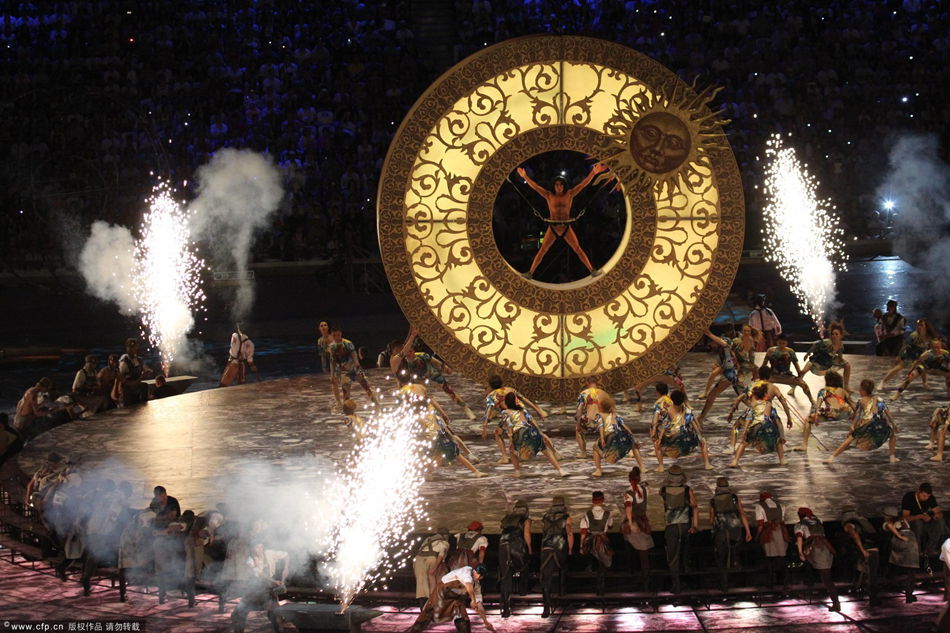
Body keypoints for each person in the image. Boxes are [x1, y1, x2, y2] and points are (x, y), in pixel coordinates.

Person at [516, 163, 607, 279]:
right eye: (557, 185)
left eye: (561, 185)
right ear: (554, 186)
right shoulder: (549, 195)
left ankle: (592, 270)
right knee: (542, 250)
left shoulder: (569, 194)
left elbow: (583, 184)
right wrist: (525, 177)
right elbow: (535, 187)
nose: (559, 187)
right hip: (553, 227)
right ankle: (530, 273)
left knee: (578, 249)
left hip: (566, 227)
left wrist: (593, 173)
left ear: (564, 186)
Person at [392, 326, 475, 419]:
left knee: (449, 391)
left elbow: (435, 362)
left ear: (414, 351)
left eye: (410, 351)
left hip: (432, 375)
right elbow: (400, 376)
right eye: (407, 352)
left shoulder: (423, 355)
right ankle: (436, 414)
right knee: (425, 397)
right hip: (419, 380)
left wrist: (445, 367)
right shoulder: (405, 362)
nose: (409, 353)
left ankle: (465, 408)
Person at [697, 326, 760, 426]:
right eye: (744, 331)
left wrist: (709, 334)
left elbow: (750, 360)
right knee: (743, 397)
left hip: (735, 373)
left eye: (748, 331)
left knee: (741, 397)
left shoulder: (750, 343)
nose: (746, 333)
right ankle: (701, 416)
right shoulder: (735, 342)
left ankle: (760, 414)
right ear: (742, 332)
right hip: (734, 371)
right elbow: (725, 347)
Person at [482, 374, 551, 464]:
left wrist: (485, 426)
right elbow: (525, 400)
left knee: (497, 433)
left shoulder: (491, 396)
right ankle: (554, 452)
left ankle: (504, 457)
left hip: (509, 415)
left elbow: (488, 412)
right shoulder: (510, 389)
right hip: (523, 412)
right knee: (539, 432)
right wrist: (537, 410)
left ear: (490, 385)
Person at [825, 379, 899, 464]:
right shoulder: (879, 399)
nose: (859, 391)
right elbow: (888, 413)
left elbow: (857, 415)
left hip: (868, 424)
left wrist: (852, 427)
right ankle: (892, 457)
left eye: (860, 389)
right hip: (880, 424)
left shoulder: (861, 400)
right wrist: (894, 425)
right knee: (892, 435)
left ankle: (831, 457)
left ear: (864, 390)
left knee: (849, 439)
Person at [408, 564, 495, 633]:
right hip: (442, 593)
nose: (478, 577)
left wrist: (485, 621)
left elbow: (479, 605)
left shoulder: (476, 585)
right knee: (427, 615)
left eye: (480, 576)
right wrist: (473, 600)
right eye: (477, 574)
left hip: (456, 599)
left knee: (463, 618)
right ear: (474, 570)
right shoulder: (466, 571)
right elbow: (468, 584)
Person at [230, 540, 289, 633]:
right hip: (254, 590)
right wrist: (274, 582)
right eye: (255, 547)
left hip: (269, 591)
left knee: (275, 615)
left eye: (259, 547)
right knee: (237, 614)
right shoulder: (250, 560)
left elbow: (286, 555)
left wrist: (286, 568)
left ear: (262, 547)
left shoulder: (269, 553)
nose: (257, 550)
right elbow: (260, 574)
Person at [501, 392, 566, 477]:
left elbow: (509, 425)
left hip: (519, 433)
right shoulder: (522, 409)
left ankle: (517, 472)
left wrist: (510, 439)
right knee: (546, 451)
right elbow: (531, 420)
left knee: (512, 452)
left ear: (506, 402)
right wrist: (540, 432)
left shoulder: (505, 412)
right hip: (531, 430)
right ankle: (561, 470)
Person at [728, 382, 788, 467]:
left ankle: (735, 461)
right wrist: (781, 435)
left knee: (743, 443)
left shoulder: (753, 405)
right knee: (778, 441)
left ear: (755, 396)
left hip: (756, 426)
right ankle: (782, 460)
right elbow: (771, 418)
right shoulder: (768, 403)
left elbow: (749, 418)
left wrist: (745, 430)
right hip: (767, 425)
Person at [708, 476, 752, 589]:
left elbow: (711, 520)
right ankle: (736, 562)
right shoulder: (734, 498)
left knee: (721, 560)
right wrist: (748, 531)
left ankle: (724, 585)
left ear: (717, 487)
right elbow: (742, 514)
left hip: (721, 531)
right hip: (735, 530)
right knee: (735, 551)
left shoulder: (713, 501)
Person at [659, 465, 697, 593]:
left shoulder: (663, 490)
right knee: (684, 552)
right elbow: (695, 507)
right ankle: (687, 570)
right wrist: (695, 525)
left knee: (673, 558)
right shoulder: (688, 490)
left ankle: (677, 586)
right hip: (685, 525)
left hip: (672, 527)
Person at [654, 390, 713, 472]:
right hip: (686, 438)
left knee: (656, 444)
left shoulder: (668, 410)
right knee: (703, 442)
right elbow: (694, 425)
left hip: (672, 439)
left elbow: (665, 425)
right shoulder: (687, 410)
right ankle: (707, 464)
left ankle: (661, 466)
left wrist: (660, 439)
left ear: (672, 400)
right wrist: (700, 437)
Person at [795, 508, 840, 611]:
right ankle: (834, 601)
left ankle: (836, 603)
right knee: (825, 577)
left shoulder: (800, 524)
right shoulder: (818, 521)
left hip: (817, 550)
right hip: (825, 548)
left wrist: (800, 552)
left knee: (827, 579)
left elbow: (799, 538)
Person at [800, 370, 854, 452]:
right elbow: (853, 405)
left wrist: (816, 416)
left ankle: (804, 445)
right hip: (845, 413)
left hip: (831, 413)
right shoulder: (843, 391)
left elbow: (817, 406)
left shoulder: (823, 390)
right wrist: (857, 418)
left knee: (808, 420)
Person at [838, 504, 881, 606]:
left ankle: (872, 599)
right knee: (872, 575)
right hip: (874, 548)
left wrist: (862, 550)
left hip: (867, 550)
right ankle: (872, 597)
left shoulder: (848, 524)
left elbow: (855, 535)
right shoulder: (861, 521)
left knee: (870, 575)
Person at [879, 318, 937, 390]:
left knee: (923, 369)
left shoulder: (929, 336)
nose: (919, 327)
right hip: (910, 355)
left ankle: (925, 383)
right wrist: (899, 356)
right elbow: (905, 345)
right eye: (918, 325)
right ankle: (883, 382)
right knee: (897, 368)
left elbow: (933, 345)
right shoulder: (914, 335)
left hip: (921, 355)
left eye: (921, 325)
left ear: (926, 326)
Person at [591, 395, 642, 476]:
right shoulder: (616, 415)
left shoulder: (599, 415)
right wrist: (632, 438)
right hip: (621, 437)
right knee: (633, 445)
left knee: (595, 447)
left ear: (600, 407)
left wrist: (602, 439)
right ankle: (642, 467)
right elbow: (625, 427)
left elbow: (601, 427)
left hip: (610, 438)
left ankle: (598, 470)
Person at [539, 496, 572, 618]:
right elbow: (569, 533)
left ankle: (546, 608)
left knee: (546, 579)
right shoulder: (566, 517)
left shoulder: (545, 517)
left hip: (546, 547)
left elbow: (543, 534)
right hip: (560, 545)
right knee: (564, 566)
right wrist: (569, 549)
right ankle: (562, 591)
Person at [327, 326, 377, 406]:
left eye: (338, 335)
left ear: (341, 334)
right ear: (331, 335)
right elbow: (332, 361)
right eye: (334, 335)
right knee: (346, 394)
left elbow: (354, 355)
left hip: (354, 369)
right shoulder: (331, 347)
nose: (336, 337)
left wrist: (357, 366)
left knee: (366, 387)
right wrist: (332, 375)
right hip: (343, 372)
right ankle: (348, 413)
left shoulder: (348, 343)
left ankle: (376, 403)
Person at [497, 500, 531, 618]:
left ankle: (506, 608)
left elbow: (500, 533)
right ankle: (523, 591)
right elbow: (526, 534)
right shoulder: (526, 520)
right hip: (516, 546)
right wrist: (530, 548)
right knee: (524, 565)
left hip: (502, 546)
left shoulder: (506, 519)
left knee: (505, 576)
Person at [622, 467, 654, 590]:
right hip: (643, 521)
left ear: (629, 480)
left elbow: (628, 509)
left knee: (629, 545)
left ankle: (632, 573)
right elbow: (647, 487)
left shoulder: (628, 493)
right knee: (643, 553)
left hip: (635, 521)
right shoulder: (645, 489)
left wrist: (630, 523)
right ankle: (646, 581)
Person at [798, 321, 851, 391]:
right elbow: (815, 345)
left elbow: (840, 353)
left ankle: (846, 386)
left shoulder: (840, 345)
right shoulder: (827, 342)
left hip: (829, 361)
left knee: (847, 365)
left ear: (841, 336)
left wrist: (841, 360)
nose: (834, 336)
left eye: (836, 334)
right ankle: (795, 385)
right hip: (819, 360)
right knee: (803, 371)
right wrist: (807, 354)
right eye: (832, 334)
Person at [882, 505, 919, 604]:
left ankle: (890, 577)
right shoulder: (902, 520)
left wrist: (899, 536)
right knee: (911, 571)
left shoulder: (888, 522)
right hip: (912, 541)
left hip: (903, 542)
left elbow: (889, 526)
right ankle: (909, 595)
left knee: (897, 563)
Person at [580, 490, 614, 596]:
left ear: (592, 501)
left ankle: (589, 567)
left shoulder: (587, 514)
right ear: (602, 500)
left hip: (591, 539)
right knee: (605, 559)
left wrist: (581, 546)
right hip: (602, 538)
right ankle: (602, 588)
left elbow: (583, 532)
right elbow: (610, 526)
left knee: (589, 553)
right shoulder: (608, 514)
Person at [901, 482, 946, 560]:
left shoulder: (930, 498)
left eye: (928, 496)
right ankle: (917, 552)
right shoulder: (908, 497)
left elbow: (939, 512)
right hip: (912, 524)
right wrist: (920, 516)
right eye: (924, 496)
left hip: (925, 523)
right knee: (918, 523)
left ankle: (930, 549)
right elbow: (905, 518)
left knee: (941, 522)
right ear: (918, 491)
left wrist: (937, 516)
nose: (926, 498)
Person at [762, 334, 813, 402]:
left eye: (783, 343)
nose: (781, 345)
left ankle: (812, 400)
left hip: (786, 376)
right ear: (777, 342)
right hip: (772, 376)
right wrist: (761, 376)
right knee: (759, 385)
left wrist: (799, 377)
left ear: (786, 343)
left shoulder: (790, 352)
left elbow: (796, 365)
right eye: (780, 343)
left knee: (804, 384)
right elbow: (764, 365)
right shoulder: (770, 351)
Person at [754, 491, 789, 589]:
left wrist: (757, 536)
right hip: (781, 532)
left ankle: (770, 583)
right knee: (782, 559)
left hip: (769, 532)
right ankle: (785, 583)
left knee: (769, 559)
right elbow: (782, 521)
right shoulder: (781, 506)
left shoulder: (759, 506)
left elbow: (760, 525)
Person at [413, 528, 451, 608]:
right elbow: (441, 556)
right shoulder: (445, 542)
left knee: (421, 585)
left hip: (419, 559)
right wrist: (435, 567)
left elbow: (419, 550)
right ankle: (432, 603)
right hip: (432, 558)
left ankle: (423, 607)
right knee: (432, 581)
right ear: (446, 536)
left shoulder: (428, 539)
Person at [115, 338, 153, 407]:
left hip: (136, 385)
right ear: (127, 348)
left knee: (144, 386)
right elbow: (119, 376)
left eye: (134, 347)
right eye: (131, 347)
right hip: (128, 386)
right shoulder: (124, 362)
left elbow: (145, 368)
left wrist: (147, 372)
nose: (133, 350)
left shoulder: (138, 360)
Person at [575, 379, 608, 458]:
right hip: (603, 421)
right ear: (597, 383)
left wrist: (578, 423)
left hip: (590, 421)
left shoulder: (583, 394)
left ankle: (583, 452)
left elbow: (579, 410)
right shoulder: (603, 393)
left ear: (587, 383)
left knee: (578, 430)